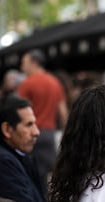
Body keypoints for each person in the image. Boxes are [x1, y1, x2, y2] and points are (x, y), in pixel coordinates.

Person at [18, 49, 68, 192]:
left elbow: (19, 112)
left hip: (30, 136)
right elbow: (63, 112)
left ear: (34, 63)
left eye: (24, 63)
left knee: (32, 179)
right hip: (49, 135)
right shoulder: (55, 82)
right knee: (49, 177)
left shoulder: (27, 84)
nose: (22, 68)